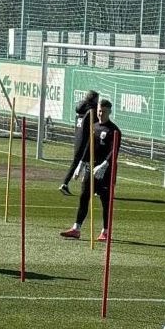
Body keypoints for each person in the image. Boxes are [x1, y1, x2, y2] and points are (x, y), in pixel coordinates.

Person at [60, 99, 121, 242]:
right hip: (91, 168)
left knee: (106, 201)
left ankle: (105, 231)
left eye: (104, 111)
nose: (101, 114)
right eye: (99, 111)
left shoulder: (114, 130)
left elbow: (114, 151)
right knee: (83, 197)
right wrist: (81, 164)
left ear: (109, 112)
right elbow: (89, 147)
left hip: (106, 171)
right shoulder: (94, 127)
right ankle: (76, 229)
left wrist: (104, 165)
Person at [59, 89, 99, 196]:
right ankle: (93, 188)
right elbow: (95, 127)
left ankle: (64, 184)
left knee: (75, 163)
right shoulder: (91, 111)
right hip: (87, 142)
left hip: (78, 140)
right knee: (93, 163)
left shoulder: (80, 110)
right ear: (94, 99)